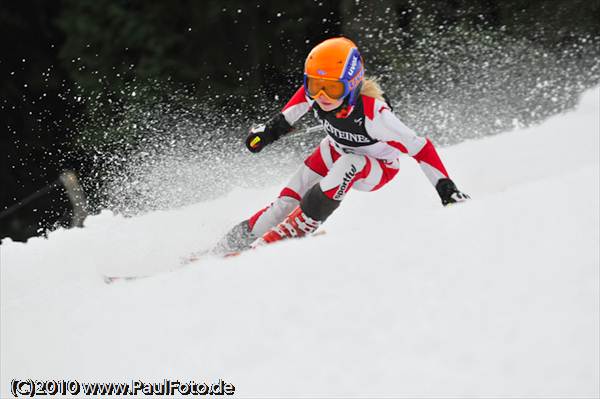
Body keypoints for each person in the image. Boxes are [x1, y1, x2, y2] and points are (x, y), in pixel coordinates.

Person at [214, 36, 469, 254]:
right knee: (284, 204)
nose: (322, 96)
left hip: (377, 167)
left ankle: (298, 227)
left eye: (332, 89)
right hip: (335, 148)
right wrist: (266, 134)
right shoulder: (313, 95)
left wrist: (446, 189)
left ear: (351, 84)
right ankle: (225, 247)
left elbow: (420, 148)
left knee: (352, 162)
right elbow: (288, 114)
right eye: (315, 85)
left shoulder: (376, 116)